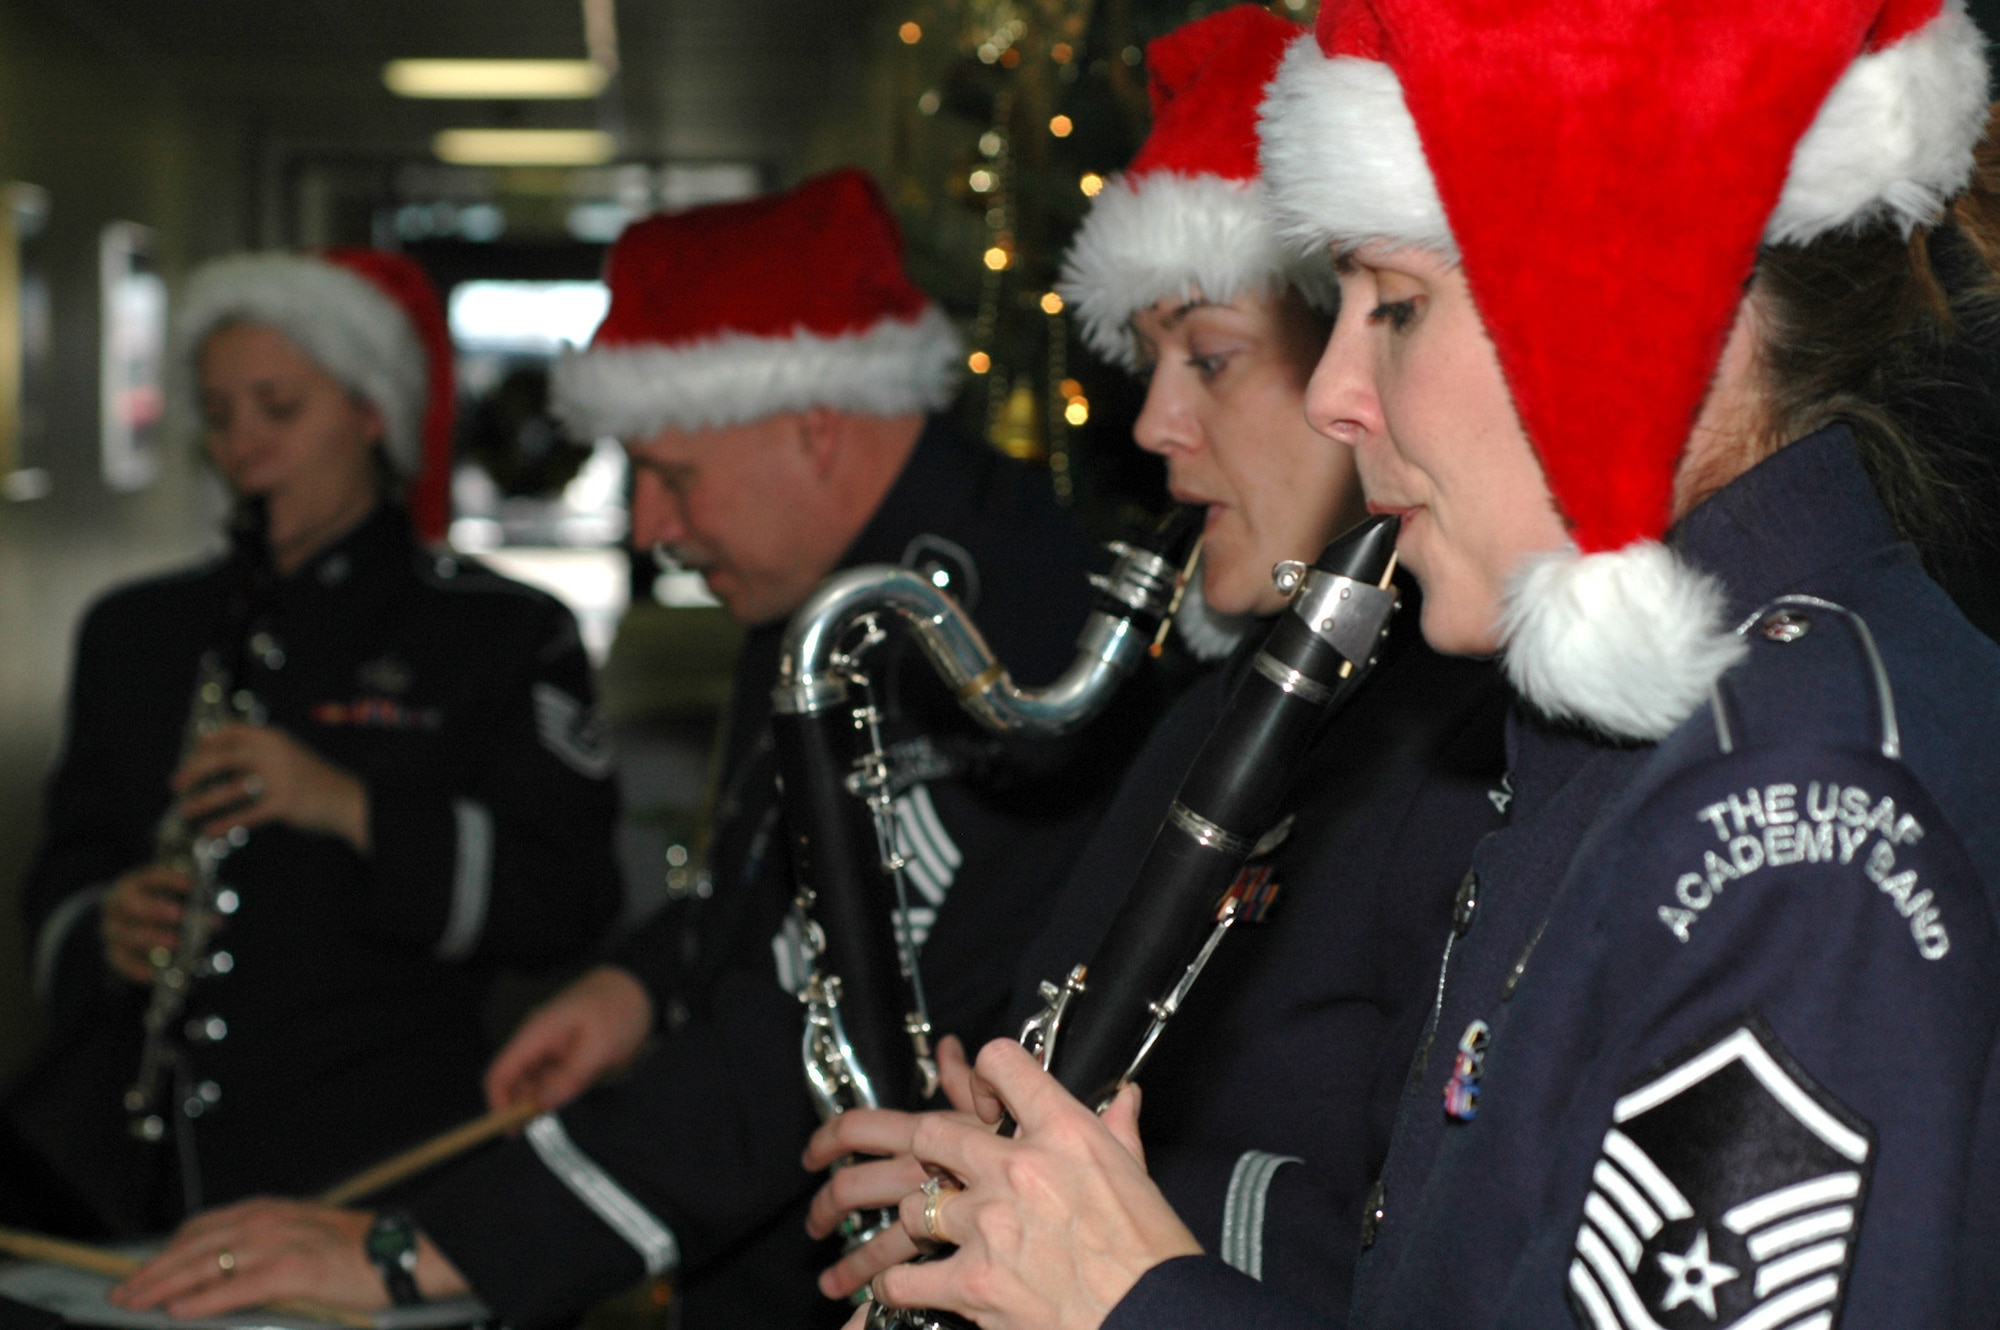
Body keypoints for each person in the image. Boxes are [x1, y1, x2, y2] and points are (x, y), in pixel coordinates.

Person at [847, 1, 2000, 1328]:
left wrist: (1138, 1298)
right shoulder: (1651, 738)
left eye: (1394, 304)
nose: (1339, 391)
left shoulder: (1796, 818)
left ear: (1647, 296)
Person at [111, 168, 1160, 1329]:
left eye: (671, 476)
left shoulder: (974, 622)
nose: (651, 529)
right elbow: (786, 883)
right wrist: (637, 985)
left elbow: (813, 1023)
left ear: (813, 425)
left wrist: (433, 1247)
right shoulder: (840, 576)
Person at [796, 8, 1507, 1321]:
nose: (1151, 422)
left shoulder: (1479, 756)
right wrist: (983, 1165)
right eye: (1151, 357)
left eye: (1211, 358)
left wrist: (1072, 1216)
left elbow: (1433, 1246)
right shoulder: (1203, 719)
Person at [3, 249, 623, 1235]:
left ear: (371, 411)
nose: (243, 445)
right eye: (219, 413)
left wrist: (348, 805)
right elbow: (66, 857)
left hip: (381, 1174)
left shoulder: (498, 631)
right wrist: (103, 923)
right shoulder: (136, 630)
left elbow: (567, 901)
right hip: (135, 1185)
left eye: (278, 408)